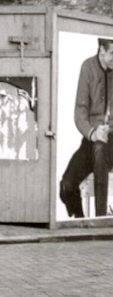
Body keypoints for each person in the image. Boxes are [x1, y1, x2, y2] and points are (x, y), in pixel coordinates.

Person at [59, 38, 113, 217]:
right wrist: (92, 133)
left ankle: (100, 220)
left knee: (100, 150)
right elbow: (80, 111)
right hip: (91, 140)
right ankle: (81, 222)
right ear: (102, 51)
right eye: (112, 53)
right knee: (66, 185)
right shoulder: (87, 67)